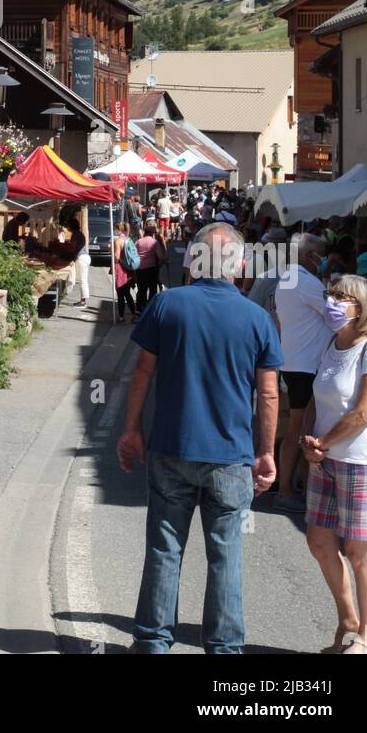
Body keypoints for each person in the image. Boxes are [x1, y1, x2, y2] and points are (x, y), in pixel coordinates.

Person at [117, 222, 283, 654]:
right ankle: (224, 648)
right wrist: (266, 453)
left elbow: (142, 372)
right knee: (226, 555)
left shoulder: (166, 305)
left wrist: (132, 428)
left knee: (164, 549)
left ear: (193, 260)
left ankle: (153, 642)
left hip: (171, 447)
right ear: (241, 265)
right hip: (231, 456)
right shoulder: (258, 319)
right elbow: (267, 393)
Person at [301, 274, 367, 654]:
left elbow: (365, 412)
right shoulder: (330, 344)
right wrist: (307, 441)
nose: (332, 302)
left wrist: (323, 442)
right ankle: (346, 621)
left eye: (342, 297)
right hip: (323, 459)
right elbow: (317, 398)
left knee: (358, 551)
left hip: (358, 460)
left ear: (362, 307)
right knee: (319, 542)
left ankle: (366, 637)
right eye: (331, 294)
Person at [273, 233, 329, 512]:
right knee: (302, 428)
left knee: (302, 427)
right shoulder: (306, 282)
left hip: (296, 362)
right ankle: (286, 491)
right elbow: (335, 313)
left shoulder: (289, 278)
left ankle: (298, 488)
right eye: (321, 253)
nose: (323, 258)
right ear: (309, 256)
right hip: (306, 365)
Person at [135, 220, 165, 312]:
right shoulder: (155, 242)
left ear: (145, 233)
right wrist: (163, 261)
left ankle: (139, 308)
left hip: (140, 269)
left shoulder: (138, 241)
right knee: (152, 289)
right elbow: (160, 256)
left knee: (141, 289)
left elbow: (134, 254)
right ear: (152, 233)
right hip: (152, 269)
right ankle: (150, 307)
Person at [65, 214, 92, 309]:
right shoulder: (79, 234)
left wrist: (70, 256)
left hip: (81, 258)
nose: (67, 227)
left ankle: (83, 302)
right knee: (83, 280)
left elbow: (74, 248)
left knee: (83, 280)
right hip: (85, 257)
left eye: (68, 225)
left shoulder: (76, 234)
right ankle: (82, 300)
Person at [113, 220, 138, 323]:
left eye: (115, 229)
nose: (114, 231)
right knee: (127, 293)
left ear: (119, 229)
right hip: (129, 269)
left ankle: (121, 316)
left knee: (120, 294)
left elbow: (117, 256)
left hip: (120, 268)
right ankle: (133, 313)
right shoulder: (128, 239)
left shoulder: (118, 240)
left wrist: (113, 252)